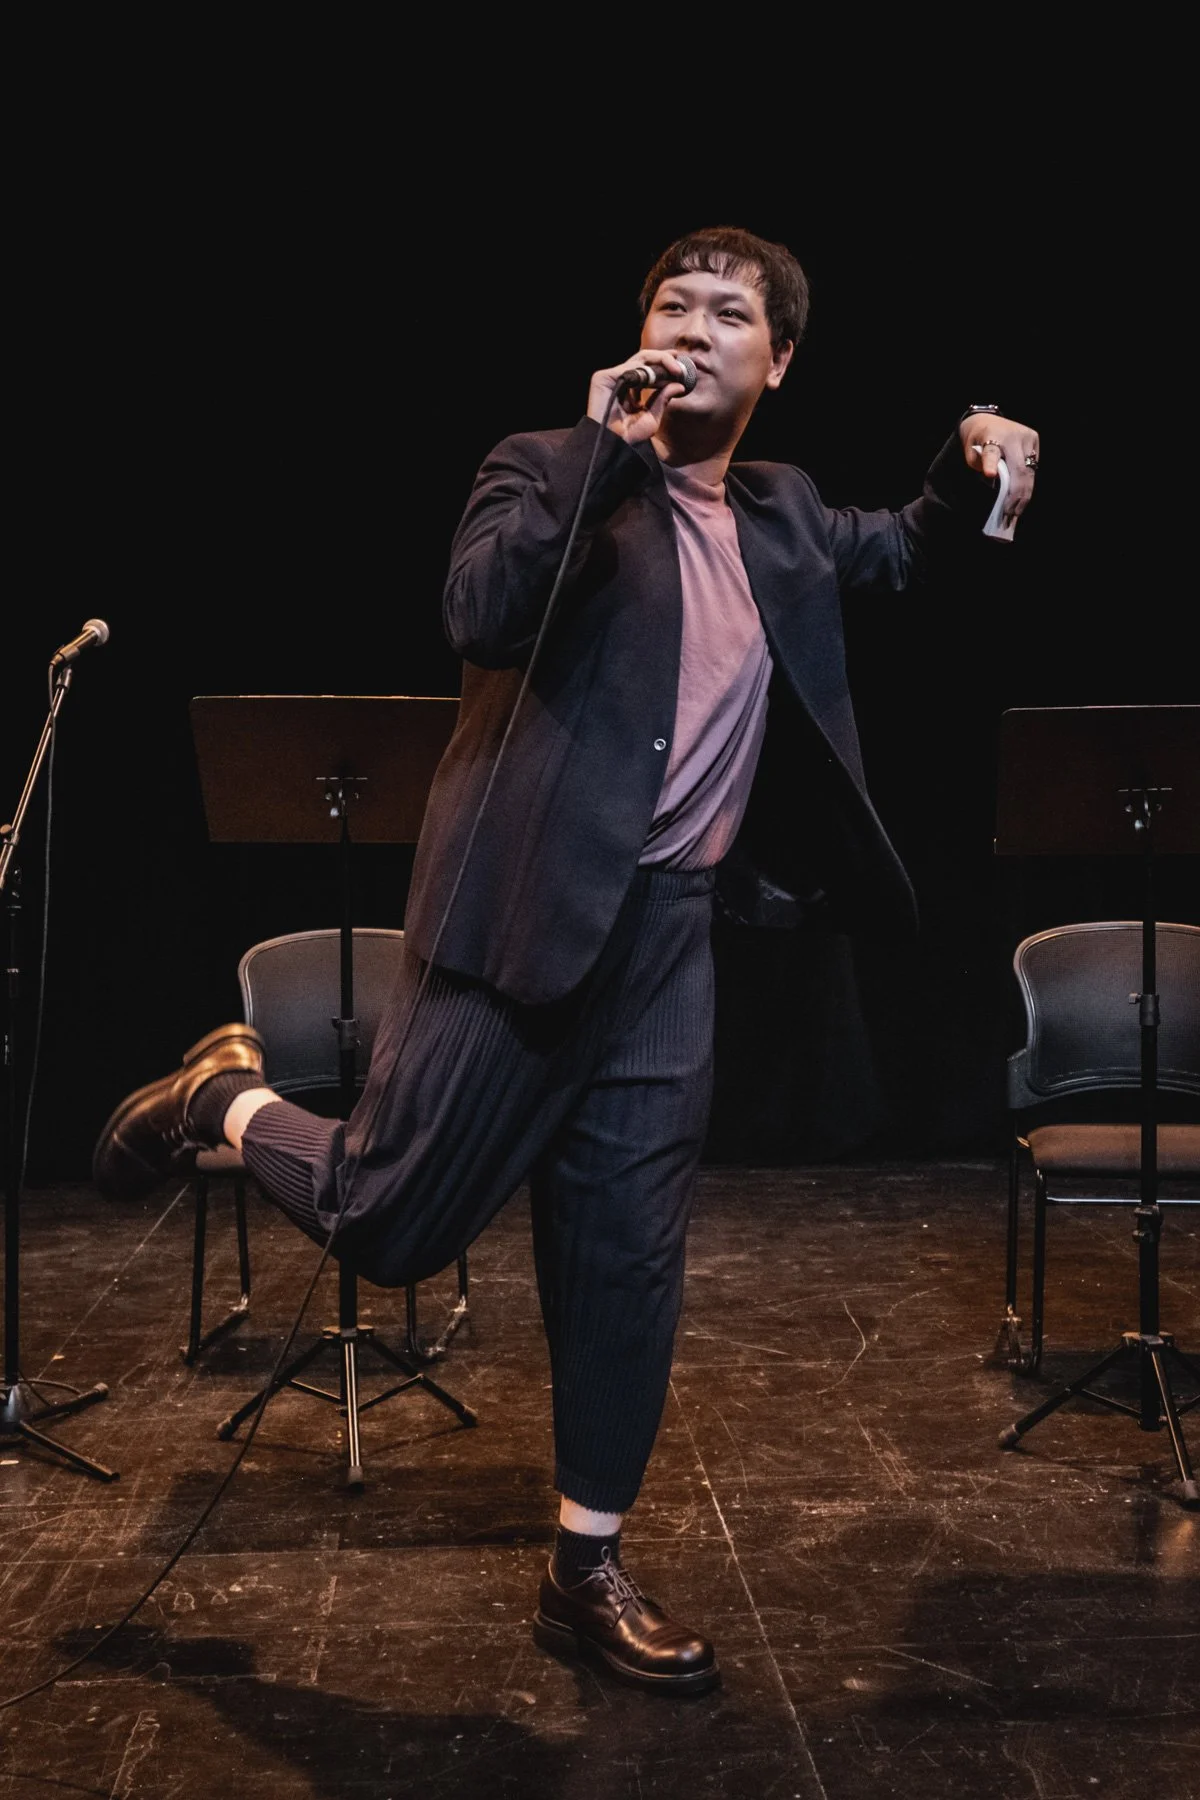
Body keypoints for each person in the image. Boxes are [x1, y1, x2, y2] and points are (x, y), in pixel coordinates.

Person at [93, 225, 1040, 1698]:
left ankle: (583, 1569)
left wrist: (972, 455)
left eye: (731, 314)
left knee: (625, 1262)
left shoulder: (785, 512)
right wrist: (606, 454)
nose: (696, 328)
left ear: (780, 361)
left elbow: (909, 547)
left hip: (669, 943)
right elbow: (479, 611)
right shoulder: (547, 468)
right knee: (387, 1224)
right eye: (675, 304)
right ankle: (222, 1095)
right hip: (520, 923)